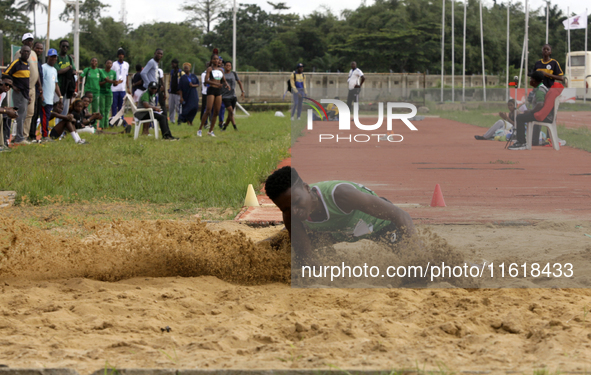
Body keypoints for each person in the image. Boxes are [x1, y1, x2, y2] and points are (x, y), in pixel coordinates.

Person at [263, 166, 416, 259]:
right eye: (286, 208)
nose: (294, 211)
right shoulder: (290, 214)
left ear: (307, 188)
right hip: (336, 231)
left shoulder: (341, 195)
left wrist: (416, 247)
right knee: (285, 250)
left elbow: (401, 215)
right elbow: (306, 258)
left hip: (377, 225)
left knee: (410, 261)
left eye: (296, 202)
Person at [508, 71, 553, 150]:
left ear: (534, 80)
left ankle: (521, 142)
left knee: (520, 118)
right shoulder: (540, 88)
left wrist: (531, 111)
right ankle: (522, 142)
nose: (530, 80)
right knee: (522, 116)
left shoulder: (540, 90)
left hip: (544, 116)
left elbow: (540, 104)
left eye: (531, 79)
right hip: (545, 114)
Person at [13, 33, 41, 142]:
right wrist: (15, 85)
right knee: (21, 114)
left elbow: (36, 71)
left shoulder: (33, 53)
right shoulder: (19, 53)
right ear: (23, 42)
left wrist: (39, 86)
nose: (30, 42)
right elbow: (15, 68)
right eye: (27, 40)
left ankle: (24, 136)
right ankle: (18, 137)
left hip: (33, 88)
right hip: (23, 88)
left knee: (30, 113)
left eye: (31, 40)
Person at [3, 45, 31, 145]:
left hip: (25, 94)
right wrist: (12, 86)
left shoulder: (27, 64)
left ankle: (18, 136)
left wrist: (28, 96)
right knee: (19, 115)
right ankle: (19, 138)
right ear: (21, 53)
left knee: (23, 116)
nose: (26, 53)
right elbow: (5, 74)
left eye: (28, 52)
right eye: (24, 51)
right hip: (18, 93)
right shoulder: (16, 63)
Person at [198, 54, 230, 137]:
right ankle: (200, 129)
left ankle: (210, 131)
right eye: (215, 59)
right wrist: (215, 83)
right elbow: (206, 81)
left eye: (217, 59)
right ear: (212, 60)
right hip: (211, 90)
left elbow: (224, 80)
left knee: (216, 111)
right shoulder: (210, 69)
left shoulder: (221, 70)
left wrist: (227, 84)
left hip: (218, 91)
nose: (216, 60)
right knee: (208, 110)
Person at [40, 48, 63, 142]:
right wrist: (41, 96)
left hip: (50, 98)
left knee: (47, 117)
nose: (53, 59)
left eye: (55, 57)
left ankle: (45, 134)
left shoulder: (54, 70)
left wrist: (60, 96)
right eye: (51, 57)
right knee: (44, 117)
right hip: (44, 98)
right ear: (48, 57)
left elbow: (55, 84)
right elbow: (40, 83)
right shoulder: (43, 67)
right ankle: (45, 136)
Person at [28, 41, 44, 142]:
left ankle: (33, 135)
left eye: (41, 49)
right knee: (31, 114)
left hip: (38, 92)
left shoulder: (39, 61)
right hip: (32, 90)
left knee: (35, 114)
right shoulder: (32, 60)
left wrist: (41, 90)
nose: (39, 50)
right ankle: (30, 135)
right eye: (37, 48)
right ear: (33, 48)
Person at [221, 60, 244, 131]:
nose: (228, 67)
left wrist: (242, 91)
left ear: (231, 67)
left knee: (230, 113)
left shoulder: (234, 74)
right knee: (230, 111)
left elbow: (239, 82)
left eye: (229, 66)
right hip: (225, 96)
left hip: (233, 96)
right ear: (224, 66)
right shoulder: (222, 74)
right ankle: (235, 127)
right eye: (226, 65)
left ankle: (224, 127)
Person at [99, 59, 122, 129]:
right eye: (108, 63)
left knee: (107, 109)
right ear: (105, 64)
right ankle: (101, 125)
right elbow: (99, 83)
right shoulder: (101, 72)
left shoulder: (113, 72)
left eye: (110, 63)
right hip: (102, 92)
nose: (109, 64)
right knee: (102, 109)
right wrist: (107, 81)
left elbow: (114, 84)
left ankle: (106, 125)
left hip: (109, 92)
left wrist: (116, 83)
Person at [56, 39, 77, 119]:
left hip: (67, 87)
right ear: (60, 46)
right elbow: (58, 71)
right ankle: (55, 127)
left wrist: (67, 70)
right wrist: (69, 67)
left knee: (65, 109)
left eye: (67, 46)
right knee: (58, 108)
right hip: (58, 87)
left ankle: (62, 128)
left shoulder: (69, 58)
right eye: (63, 46)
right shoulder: (57, 57)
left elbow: (74, 71)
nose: (65, 48)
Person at [0, 76, 18, 152]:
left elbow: (2, 107)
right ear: (1, 82)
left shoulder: (3, 94)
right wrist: (7, 111)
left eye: (10, 86)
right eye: (6, 84)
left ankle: (3, 144)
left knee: (4, 115)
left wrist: (10, 109)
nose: (8, 87)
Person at [111, 48, 129, 122]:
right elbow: (111, 74)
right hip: (114, 89)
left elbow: (126, 76)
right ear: (118, 56)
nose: (121, 56)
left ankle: (121, 119)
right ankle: (113, 119)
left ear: (124, 56)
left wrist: (127, 87)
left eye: (122, 55)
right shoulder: (114, 64)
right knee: (114, 105)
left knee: (121, 106)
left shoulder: (126, 64)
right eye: (119, 55)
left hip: (122, 89)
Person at [169, 58, 182, 124]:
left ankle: (179, 119)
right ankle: (172, 120)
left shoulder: (180, 72)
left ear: (176, 64)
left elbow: (181, 82)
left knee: (178, 107)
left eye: (173, 63)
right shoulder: (172, 71)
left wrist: (180, 90)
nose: (172, 65)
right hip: (172, 92)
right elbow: (170, 80)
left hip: (177, 92)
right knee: (171, 107)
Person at [200, 62, 210, 127]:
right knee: (205, 108)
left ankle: (210, 121)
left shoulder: (212, 73)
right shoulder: (204, 74)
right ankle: (204, 122)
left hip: (211, 92)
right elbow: (205, 83)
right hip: (205, 93)